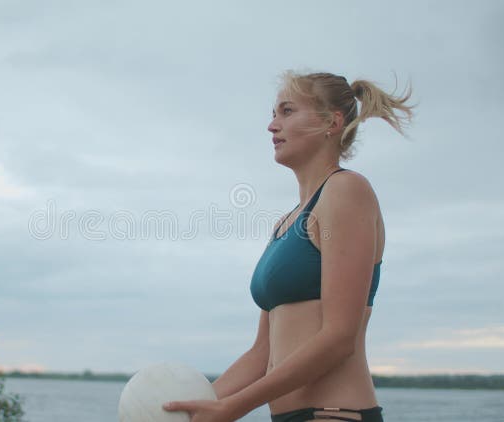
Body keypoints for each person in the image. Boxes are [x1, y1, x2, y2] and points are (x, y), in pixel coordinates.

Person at [163, 71, 414, 422]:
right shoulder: (285, 223)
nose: (271, 125)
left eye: (287, 111)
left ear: (332, 122)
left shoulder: (347, 191)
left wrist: (232, 408)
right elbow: (261, 354)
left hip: (334, 415)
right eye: (273, 113)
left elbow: (340, 337)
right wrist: (184, 411)